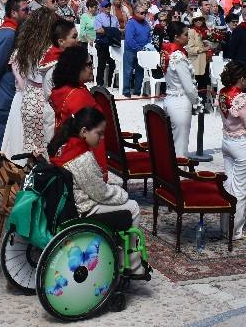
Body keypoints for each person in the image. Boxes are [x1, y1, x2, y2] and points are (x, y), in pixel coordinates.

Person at [48, 107, 147, 276]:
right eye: (99, 133)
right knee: (133, 207)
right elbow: (101, 193)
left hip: (72, 202)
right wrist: (122, 193)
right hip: (85, 208)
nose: (102, 138)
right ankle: (132, 264)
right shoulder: (82, 157)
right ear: (84, 131)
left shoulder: (65, 145)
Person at [218, 60, 246, 241]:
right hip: (242, 146)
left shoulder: (223, 94)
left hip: (227, 141)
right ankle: (235, 230)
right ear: (242, 79)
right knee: (239, 189)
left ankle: (224, 226)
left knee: (228, 185)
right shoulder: (241, 100)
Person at [19, 14, 70, 155]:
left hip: (30, 97)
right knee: (48, 150)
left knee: (33, 149)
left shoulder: (27, 44)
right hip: (44, 99)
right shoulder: (50, 50)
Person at [0, 0, 27, 149]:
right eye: (25, 10)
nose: (27, 13)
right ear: (13, 13)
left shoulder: (15, 31)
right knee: (2, 143)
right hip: (4, 95)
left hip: (10, 93)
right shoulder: (8, 34)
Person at [160, 21, 199, 155]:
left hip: (170, 97)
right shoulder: (178, 56)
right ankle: (180, 175)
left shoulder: (167, 51)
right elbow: (188, 87)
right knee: (180, 147)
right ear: (176, 37)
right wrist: (197, 103)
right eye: (186, 34)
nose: (188, 37)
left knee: (171, 144)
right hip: (180, 100)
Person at [123, 1, 152, 97]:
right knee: (128, 71)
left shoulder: (146, 23)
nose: (144, 15)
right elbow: (129, 39)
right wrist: (139, 48)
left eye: (145, 13)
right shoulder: (131, 23)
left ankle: (137, 91)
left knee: (140, 72)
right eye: (142, 13)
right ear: (135, 13)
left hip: (142, 51)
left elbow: (149, 36)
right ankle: (126, 91)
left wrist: (145, 47)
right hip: (131, 50)